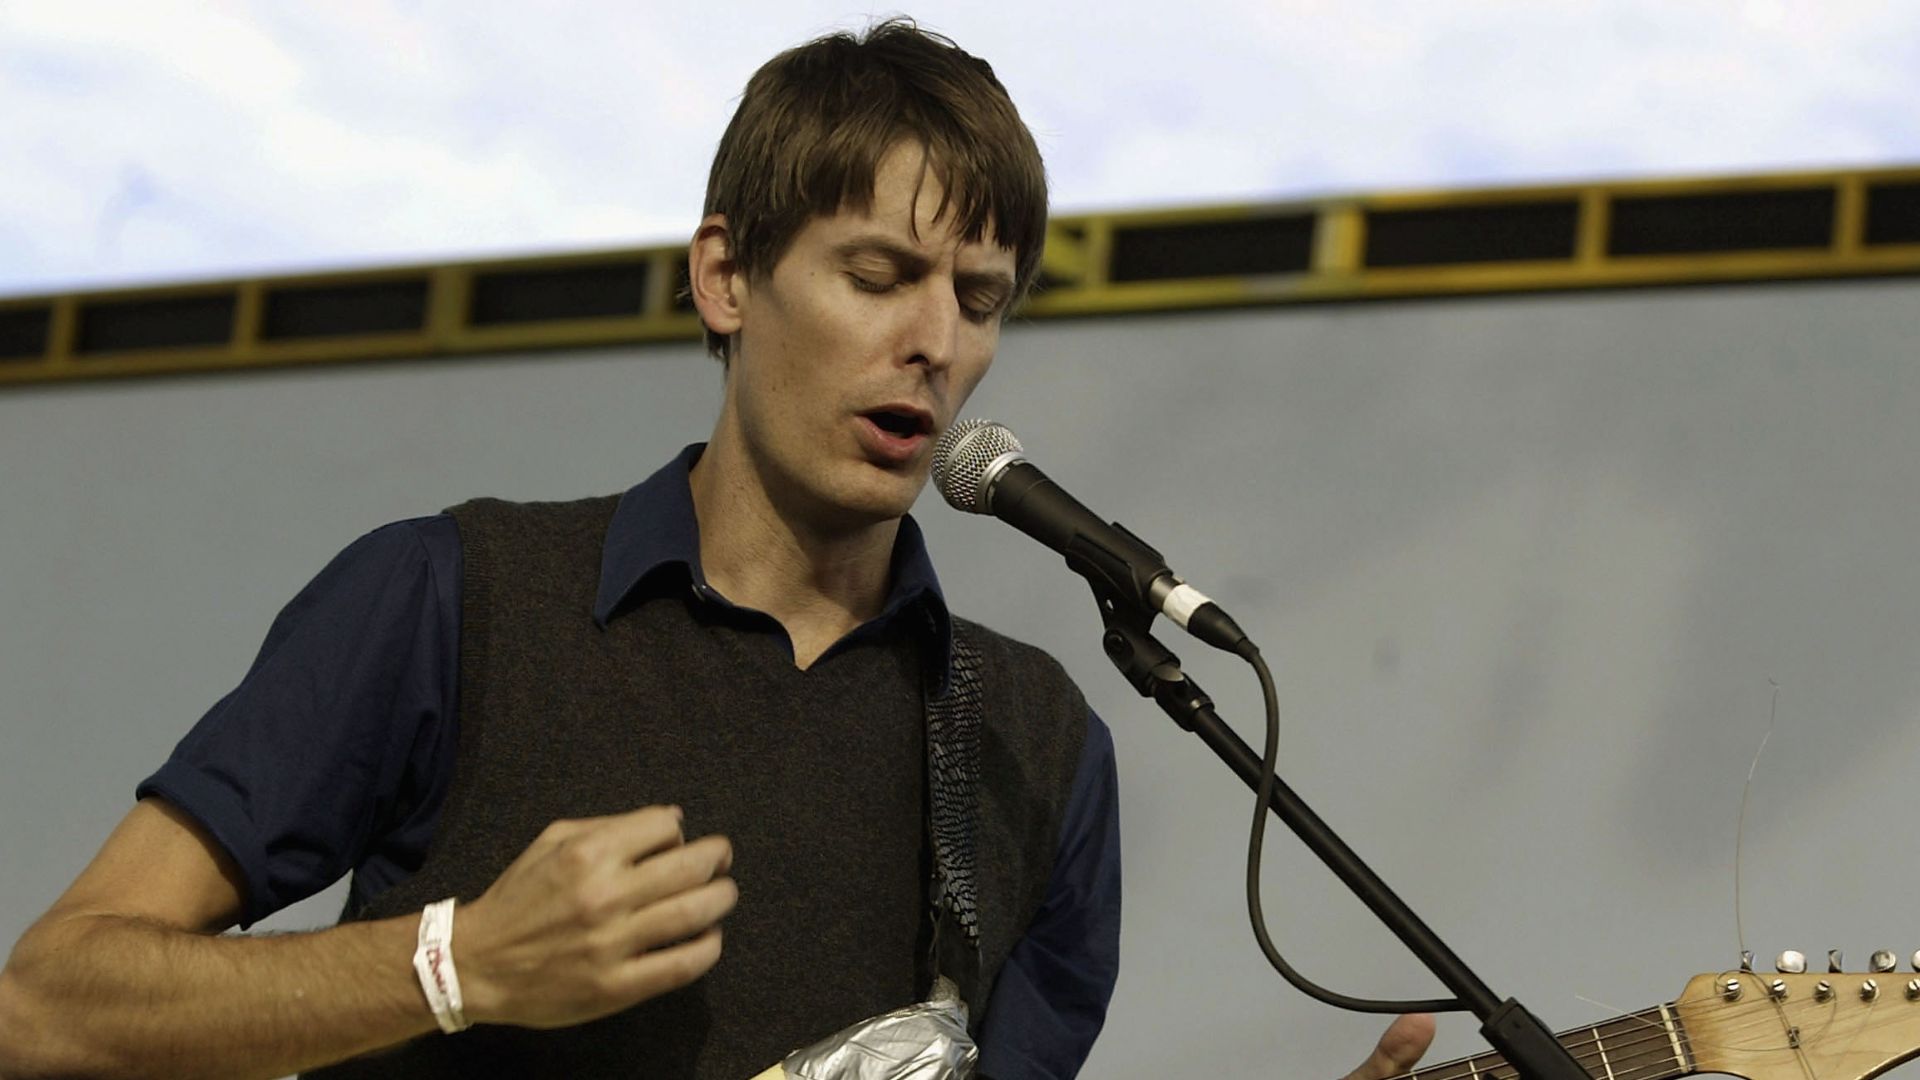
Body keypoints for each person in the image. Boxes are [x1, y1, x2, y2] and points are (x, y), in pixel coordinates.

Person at [0, 18, 1434, 1080]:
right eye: (878, 274)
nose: (933, 341)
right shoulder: (453, 599)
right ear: (727, 275)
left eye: (981, 299)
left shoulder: (1036, 746)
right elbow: (51, 1004)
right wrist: (460, 966)